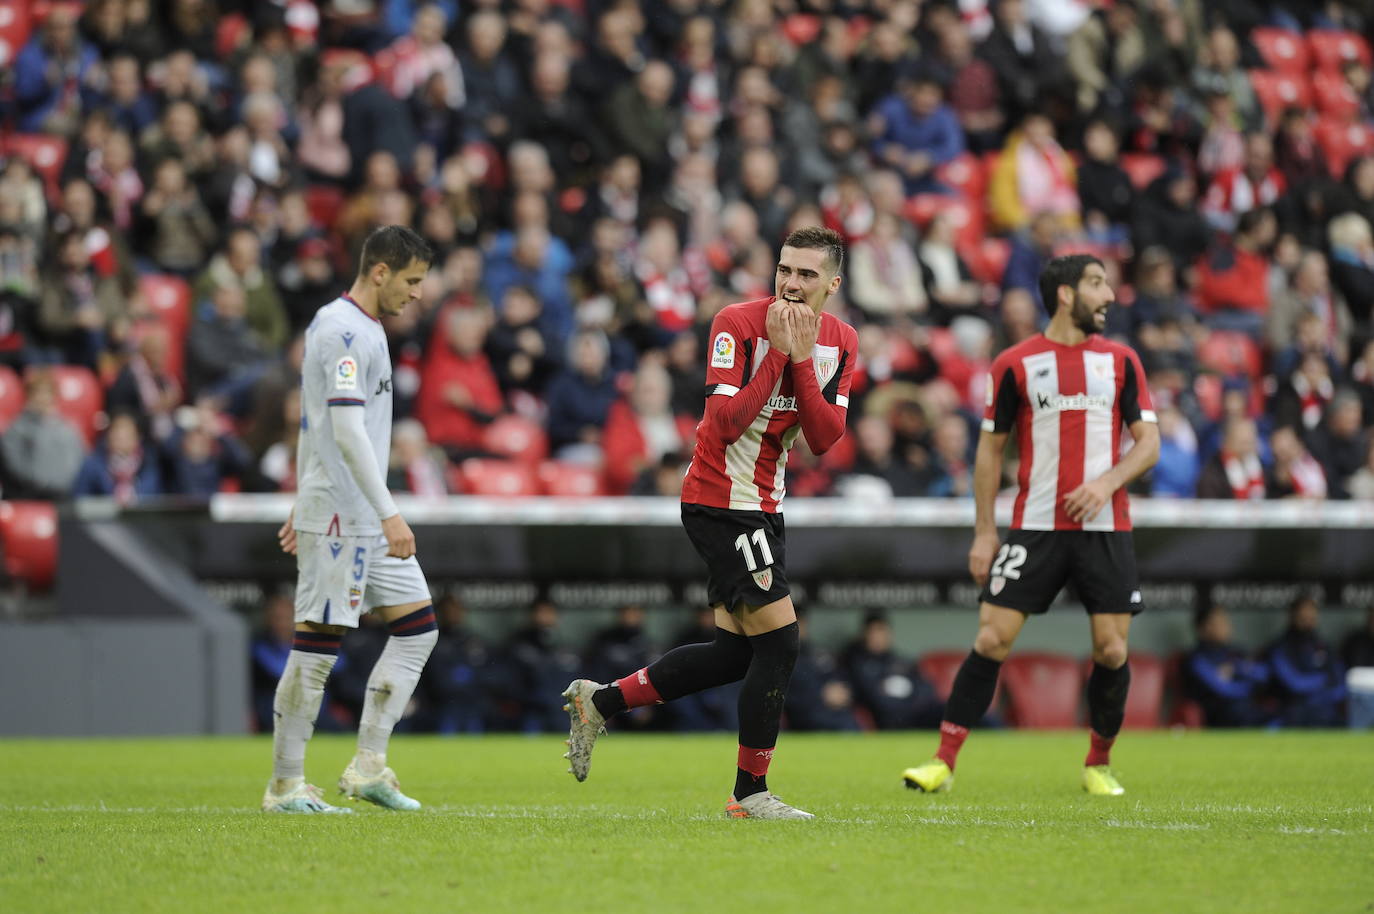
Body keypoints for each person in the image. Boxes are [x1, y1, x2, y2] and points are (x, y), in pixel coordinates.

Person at [561, 226, 859, 820]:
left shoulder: (842, 342)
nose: (792, 284)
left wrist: (799, 359)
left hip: (766, 504)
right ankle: (750, 794)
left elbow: (825, 439)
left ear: (833, 283)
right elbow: (723, 424)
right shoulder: (736, 323)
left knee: (734, 655)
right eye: (784, 270)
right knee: (781, 642)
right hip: (719, 498)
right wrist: (778, 352)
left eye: (806, 274)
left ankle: (602, 702)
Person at [902, 254, 1160, 797]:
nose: (1108, 295)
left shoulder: (1121, 362)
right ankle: (942, 762)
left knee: (1111, 650)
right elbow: (989, 452)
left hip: (1105, 527)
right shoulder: (1015, 364)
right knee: (992, 637)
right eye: (1096, 283)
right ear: (1065, 294)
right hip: (1036, 525)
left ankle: (1098, 763)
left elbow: (1149, 444)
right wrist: (983, 530)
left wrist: (1105, 483)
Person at [262, 225, 439, 814]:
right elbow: (342, 427)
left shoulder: (366, 328)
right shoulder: (342, 330)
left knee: (419, 629)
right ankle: (285, 784)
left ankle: (367, 768)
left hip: (349, 509)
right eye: (412, 281)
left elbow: (313, 423)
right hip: (344, 517)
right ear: (381, 272)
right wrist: (389, 513)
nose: (417, 293)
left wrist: (303, 494)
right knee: (317, 649)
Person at [1184, 605, 1271, 728]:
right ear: (1203, 628)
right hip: (1218, 716)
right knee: (1239, 711)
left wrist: (1237, 669)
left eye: (1225, 621)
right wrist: (1249, 681)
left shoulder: (1236, 653)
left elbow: (1264, 674)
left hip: (1247, 708)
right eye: (1219, 622)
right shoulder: (1197, 659)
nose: (1226, 626)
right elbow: (1224, 690)